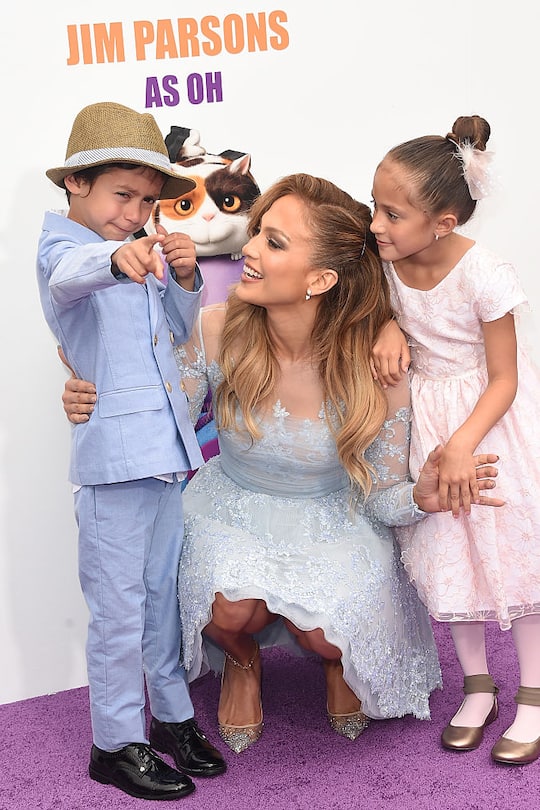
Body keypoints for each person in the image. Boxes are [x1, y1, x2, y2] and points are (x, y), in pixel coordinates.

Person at [64, 172, 503, 755]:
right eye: (257, 233)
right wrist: (88, 392)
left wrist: (421, 497)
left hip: (333, 517)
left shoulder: (378, 363)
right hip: (231, 507)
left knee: (326, 635)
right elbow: (163, 417)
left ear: (321, 279)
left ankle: (335, 660)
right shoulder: (215, 329)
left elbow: (382, 496)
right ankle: (241, 659)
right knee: (229, 609)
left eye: (273, 242)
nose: (247, 249)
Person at [37, 101, 226, 801]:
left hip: (167, 452)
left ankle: (171, 716)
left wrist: (185, 279)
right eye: (123, 195)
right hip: (114, 460)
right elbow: (69, 277)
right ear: (76, 183)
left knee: (159, 599)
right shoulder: (63, 250)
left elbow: (174, 329)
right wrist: (117, 258)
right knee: (117, 611)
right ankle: (114, 744)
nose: (136, 212)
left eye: (148, 201)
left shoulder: (142, 246)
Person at [369, 115, 540, 766]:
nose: (376, 224)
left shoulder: (484, 273)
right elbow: (368, 298)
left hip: (488, 427)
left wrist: (465, 445)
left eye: (392, 214)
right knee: (449, 551)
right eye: (374, 206)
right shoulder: (385, 261)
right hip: (428, 424)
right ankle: (478, 688)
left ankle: (533, 696)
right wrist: (386, 324)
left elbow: (505, 377)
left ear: (443, 223)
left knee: (513, 553)